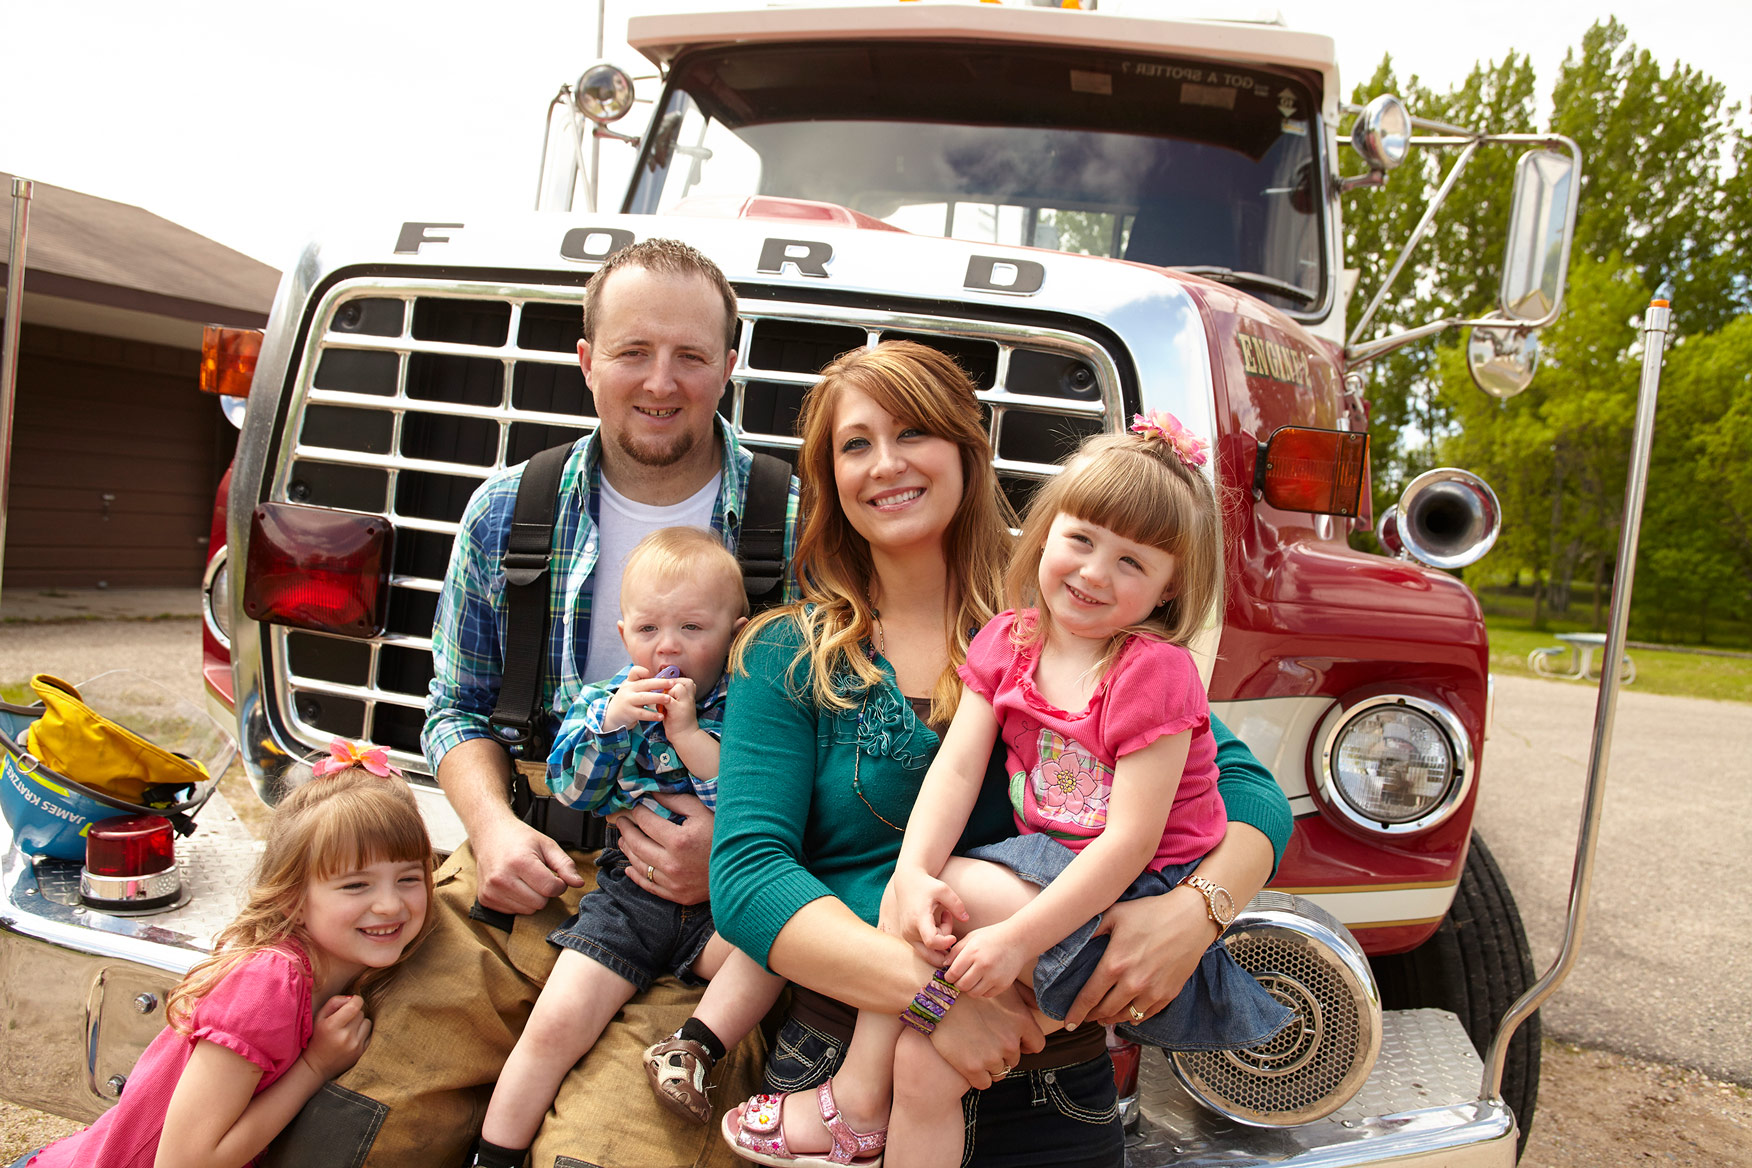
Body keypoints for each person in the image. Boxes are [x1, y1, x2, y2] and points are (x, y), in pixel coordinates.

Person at [269, 238, 799, 1168]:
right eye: (633, 353)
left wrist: (738, 852)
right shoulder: (512, 510)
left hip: (701, 926)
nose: (662, 383)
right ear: (588, 360)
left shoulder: (792, 527)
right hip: (519, 888)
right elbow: (455, 711)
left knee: (603, 1159)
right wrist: (495, 829)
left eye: (691, 356)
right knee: (341, 1130)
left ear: (731, 361)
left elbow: (842, 750)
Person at [710, 341, 1294, 1167]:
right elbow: (747, 878)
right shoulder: (786, 653)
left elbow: (1242, 789)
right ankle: (855, 1112)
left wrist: (1191, 914)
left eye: (914, 432)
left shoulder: (1066, 627)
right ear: (827, 477)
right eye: (854, 444)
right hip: (844, 1055)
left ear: (965, 449)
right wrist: (934, 999)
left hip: (1053, 1074)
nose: (886, 464)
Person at [474, 529, 784, 1167]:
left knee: (777, 949)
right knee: (555, 1025)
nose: (668, 646)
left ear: (736, 630)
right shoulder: (605, 703)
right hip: (630, 892)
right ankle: (494, 1153)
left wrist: (691, 734)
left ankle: (691, 1046)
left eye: (693, 627)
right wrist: (611, 723)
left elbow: (745, 801)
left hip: (723, 902)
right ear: (623, 635)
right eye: (648, 629)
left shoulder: (751, 704)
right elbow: (572, 789)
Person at [13, 757, 434, 1168]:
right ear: (293, 899)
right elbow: (183, 1161)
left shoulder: (342, 965)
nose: (389, 904)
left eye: (409, 878)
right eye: (356, 884)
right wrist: (314, 1066)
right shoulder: (270, 983)